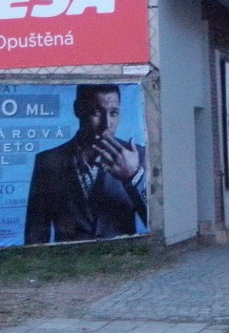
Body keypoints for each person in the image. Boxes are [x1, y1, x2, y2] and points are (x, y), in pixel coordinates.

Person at [24, 84, 147, 244]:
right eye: (96, 112)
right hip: (70, 264)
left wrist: (133, 176)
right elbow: (36, 233)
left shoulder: (137, 155)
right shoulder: (48, 162)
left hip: (122, 259)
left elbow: (155, 219)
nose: (106, 124)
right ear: (78, 109)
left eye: (114, 113)